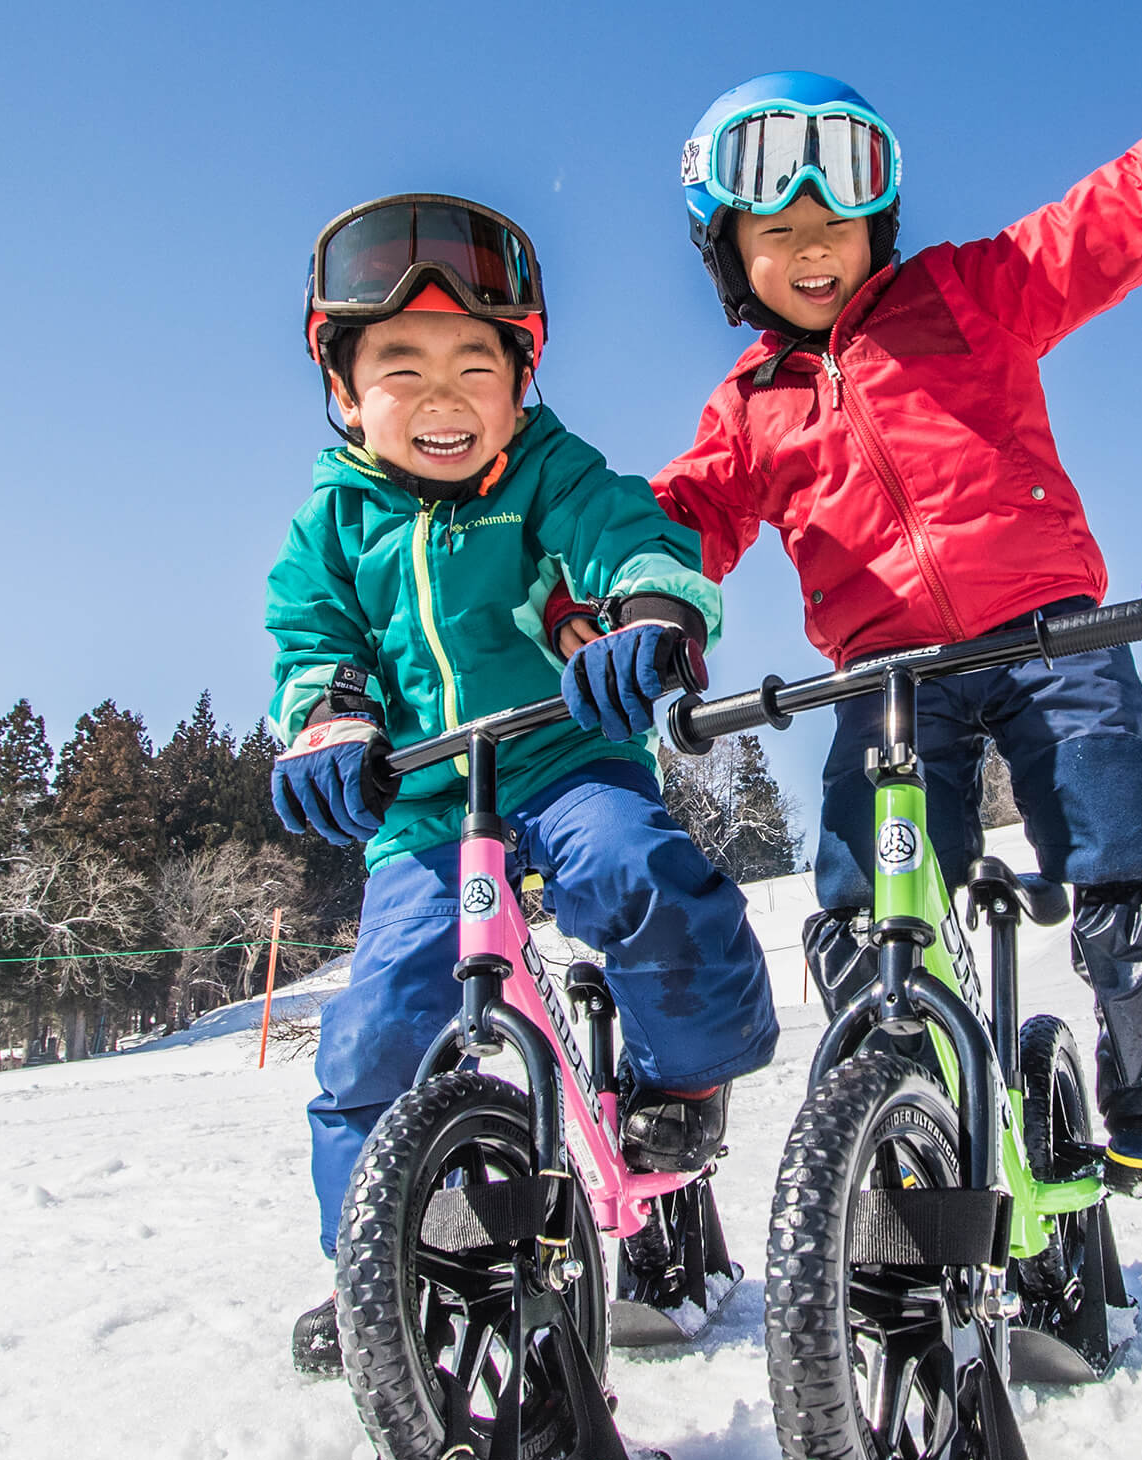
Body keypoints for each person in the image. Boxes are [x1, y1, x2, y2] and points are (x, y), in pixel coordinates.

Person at [654, 47, 1142, 1201]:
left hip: (1047, 638)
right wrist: (624, 606)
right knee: (867, 881)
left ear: (880, 222)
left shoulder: (967, 293)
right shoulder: (750, 409)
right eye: (776, 234)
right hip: (889, 676)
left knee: (1128, 836)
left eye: (834, 223)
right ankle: (898, 1062)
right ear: (729, 255)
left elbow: (1106, 223)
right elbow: (679, 517)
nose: (811, 251)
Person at [266, 193, 779, 1374]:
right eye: (401, 368)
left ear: (520, 377)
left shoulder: (548, 471)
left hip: (561, 754)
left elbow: (630, 534)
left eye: (471, 366)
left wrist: (645, 612)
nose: (440, 398)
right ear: (345, 391)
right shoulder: (329, 527)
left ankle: (685, 1075)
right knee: (374, 1029)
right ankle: (374, 1262)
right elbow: (313, 649)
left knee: (633, 870)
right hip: (429, 807)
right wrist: (329, 726)